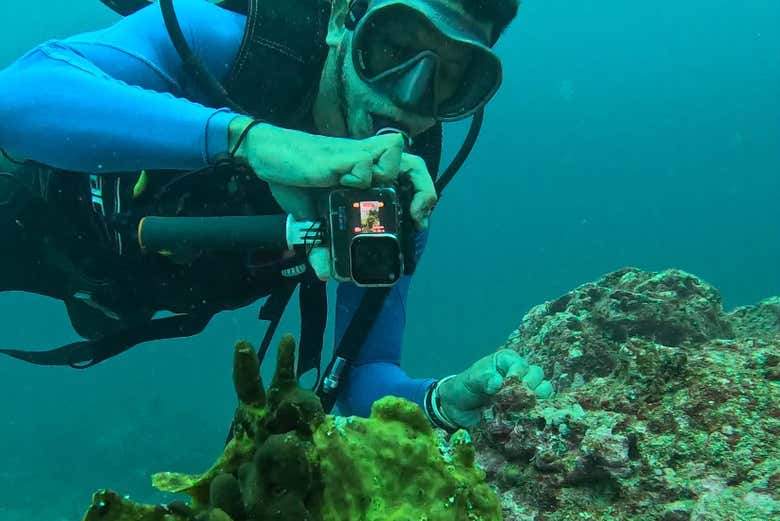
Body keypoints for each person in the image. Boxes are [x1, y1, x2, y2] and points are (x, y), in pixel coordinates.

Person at [0, 0, 553, 433]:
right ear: (344, 21)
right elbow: (17, 98)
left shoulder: (395, 197)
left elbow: (361, 381)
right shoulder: (232, 52)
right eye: (395, 47)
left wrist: (442, 399)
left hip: (115, 292)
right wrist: (250, 140)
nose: (408, 96)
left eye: (450, 78)